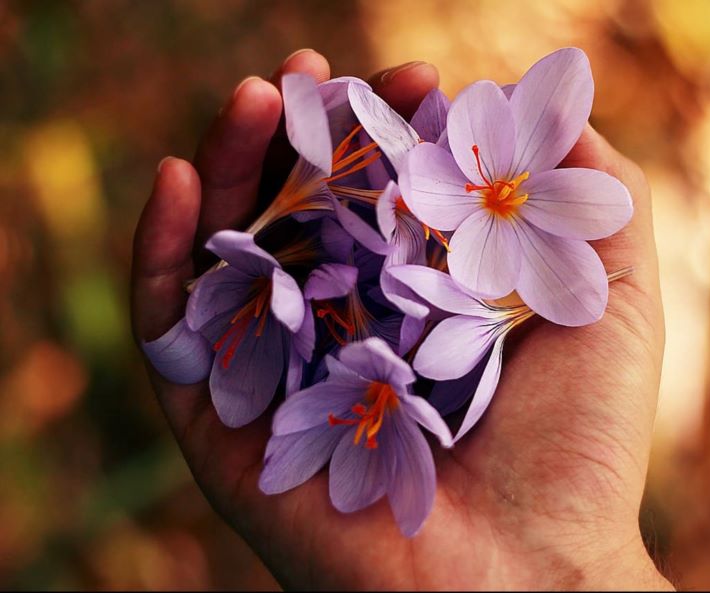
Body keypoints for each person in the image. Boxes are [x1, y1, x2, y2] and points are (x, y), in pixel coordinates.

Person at [130, 48, 673, 590]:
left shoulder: (507, 255)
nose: (506, 191)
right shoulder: (420, 218)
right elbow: (420, 200)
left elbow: (560, 286)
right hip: (407, 238)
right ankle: (276, 237)